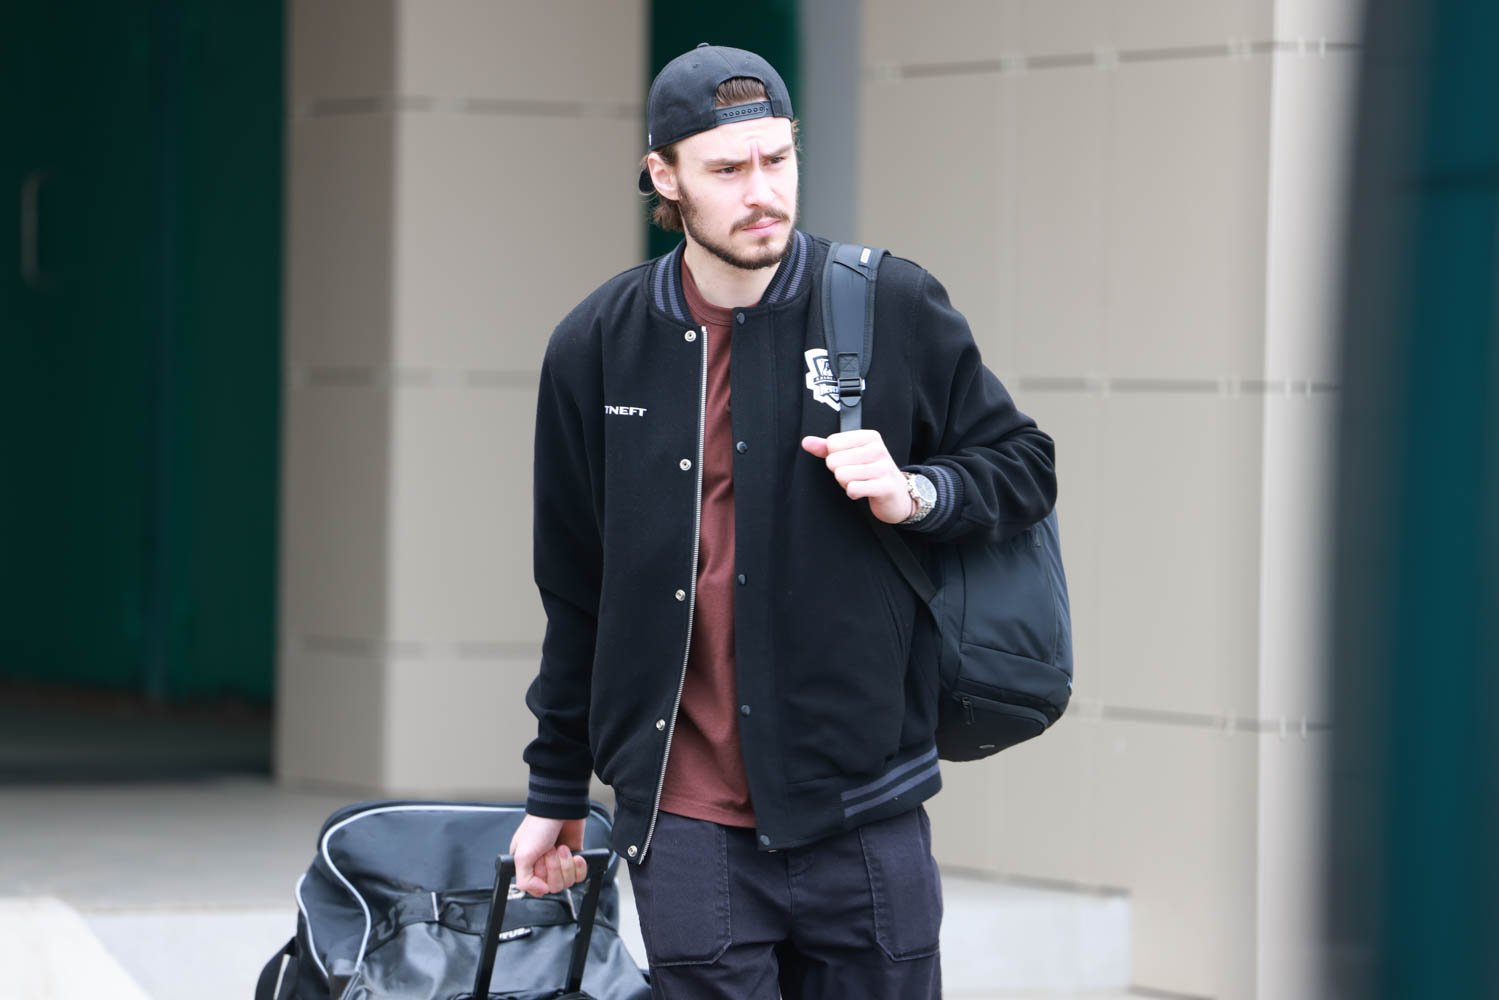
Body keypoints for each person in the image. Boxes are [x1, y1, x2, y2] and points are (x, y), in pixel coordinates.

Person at [509, 43, 1056, 999]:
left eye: (777, 158)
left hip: (866, 808)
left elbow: (1023, 463)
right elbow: (575, 584)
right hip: (684, 820)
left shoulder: (889, 303)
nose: (761, 192)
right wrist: (555, 787)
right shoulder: (596, 344)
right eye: (727, 168)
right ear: (664, 176)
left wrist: (915, 492)